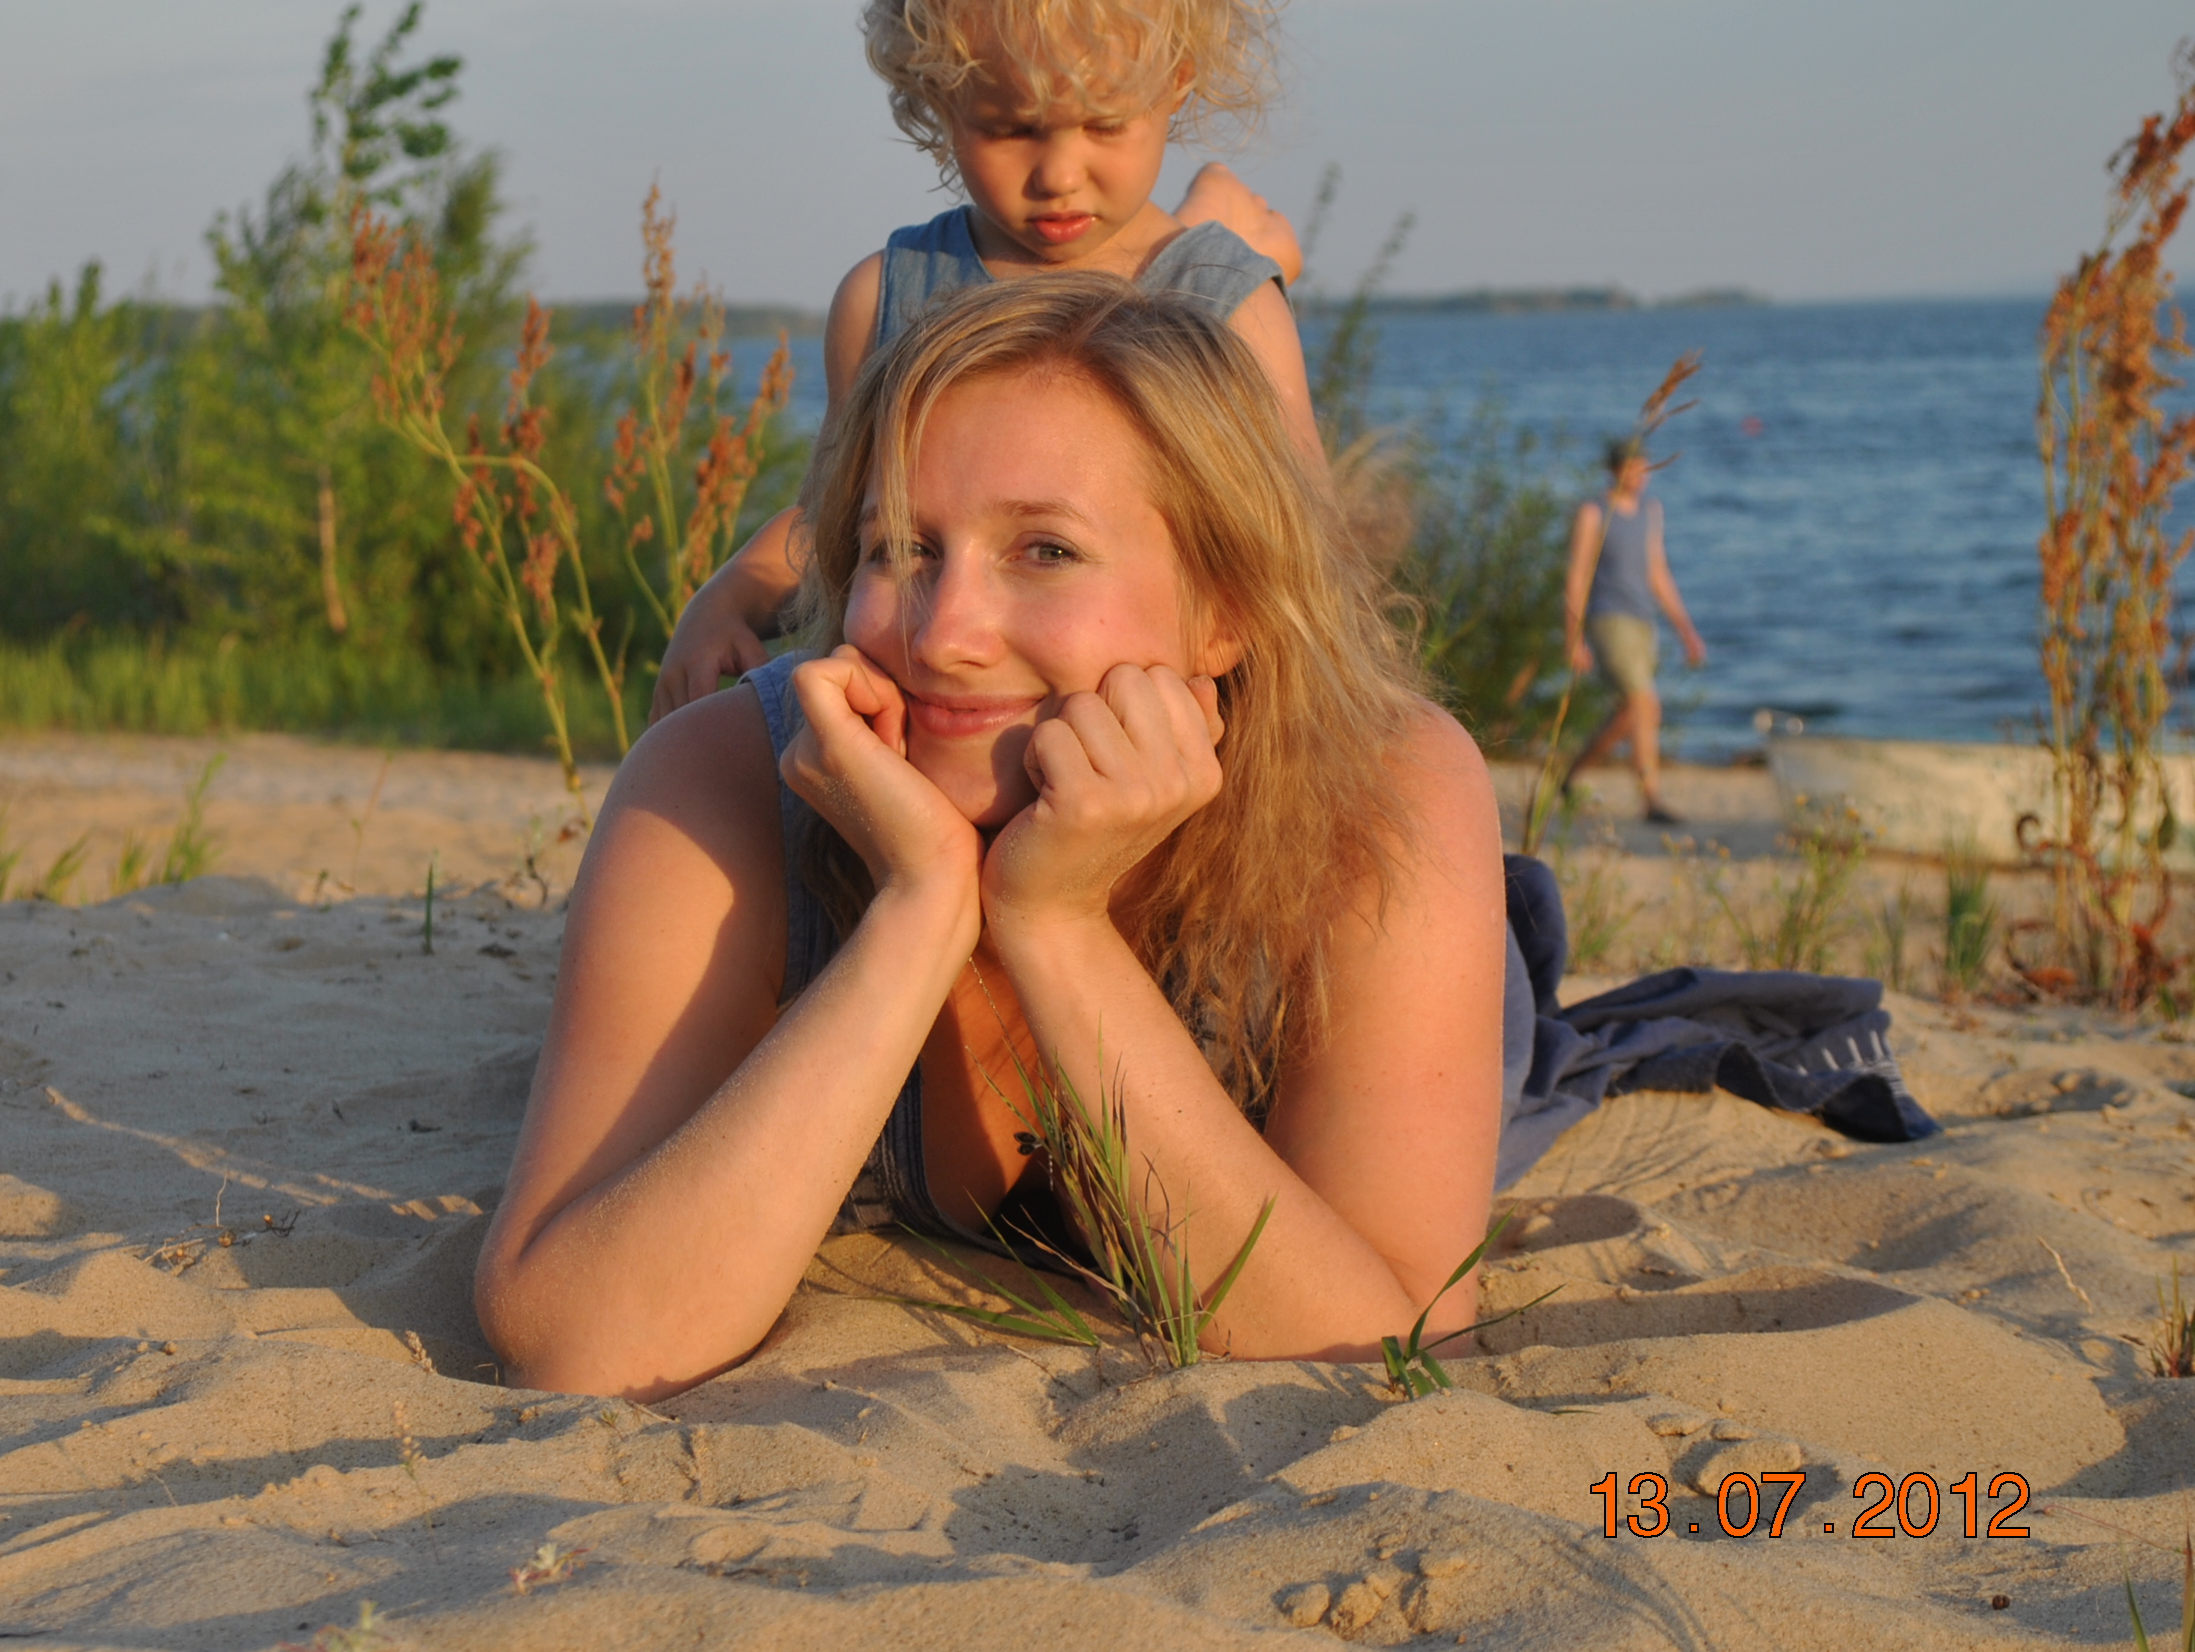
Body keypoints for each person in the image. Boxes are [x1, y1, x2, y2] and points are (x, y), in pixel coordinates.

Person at [475, 277, 1511, 1401]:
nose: (943, 636)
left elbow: (1395, 1350)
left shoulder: (1382, 794)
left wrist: (1055, 925)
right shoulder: (714, 783)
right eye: (898, 549)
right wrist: (918, 911)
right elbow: (576, 1341)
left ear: (1225, 612)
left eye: (1045, 551)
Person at [651, 0, 1316, 721]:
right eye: (1009, 128)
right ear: (938, 94)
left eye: (1104, 124)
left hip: (1157, 735)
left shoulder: (1226, 309)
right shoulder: (889, 299)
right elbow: (837, 527)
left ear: (1176, 82)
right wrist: (728, 595)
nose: (1059, 174)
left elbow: (1300, 561)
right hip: (940, 715)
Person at [1562, 437, 1708, 822]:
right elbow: (1577, 575)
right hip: (1609, 619)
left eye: (1644, 467)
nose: (1640, 475)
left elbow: (1658, 571)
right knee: (1645, 704)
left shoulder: (1650, 511)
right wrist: (1573, 637)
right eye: (1632, 468)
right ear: (1614, 470)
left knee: (1630, 712)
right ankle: (1651, 800)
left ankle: (1571, 776)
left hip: (1644, 620)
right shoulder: (1594, 512)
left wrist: (1686, 630)